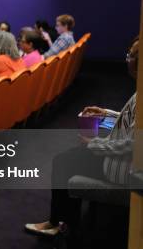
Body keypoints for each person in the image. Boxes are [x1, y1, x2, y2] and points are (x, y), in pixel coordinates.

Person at [25, 36, 138, 236]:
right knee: (70, 156)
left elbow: (134, 143)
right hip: (125, 162)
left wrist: (94, 144)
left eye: (130, 56)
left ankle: (58, 225)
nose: (127, 59)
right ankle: (63, 221)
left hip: (124, 168)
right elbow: (131, 119)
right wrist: (106, 113)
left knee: (63, 161)